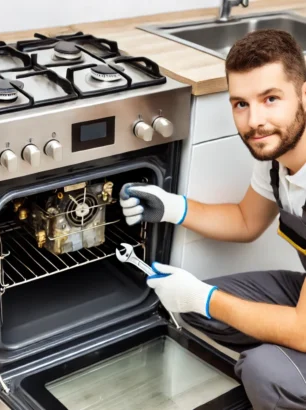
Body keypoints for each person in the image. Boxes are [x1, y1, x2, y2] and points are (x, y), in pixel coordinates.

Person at [119, 29, 306, 410]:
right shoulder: (279, 160)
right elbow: (245, 220)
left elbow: (304, 331)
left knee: (264, 370)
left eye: (271, 99)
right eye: (241, 103)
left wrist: (205, 298)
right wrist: (172, 206)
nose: (255, 121)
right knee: (195, 309)